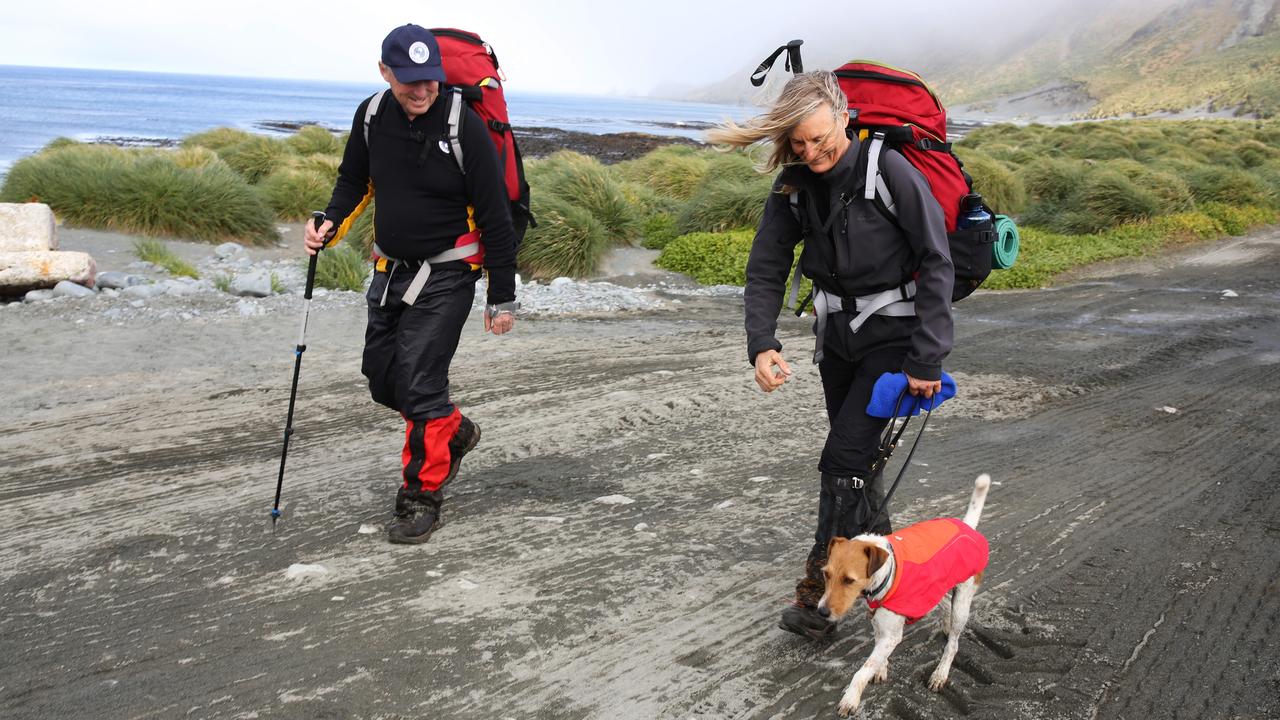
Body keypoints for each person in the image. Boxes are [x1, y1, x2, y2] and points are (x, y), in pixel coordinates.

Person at [707, 71, 954, 639]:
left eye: (820, 139)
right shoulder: (794, 184)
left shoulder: (889, 169)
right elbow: (766, 264)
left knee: (841, 463)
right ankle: (889, 568)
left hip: (895, 339)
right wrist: (761, 342)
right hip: (837, 340)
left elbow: (936, 260)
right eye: (799, 144)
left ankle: (820, 598)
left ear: (845, 117)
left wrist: (928, 357)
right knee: (859, 464)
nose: (812, 152)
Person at [304, 24, 520, 545]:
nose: (421, 90)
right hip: (391, 271)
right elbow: (354, 179)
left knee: (420, 384)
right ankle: (454, 429)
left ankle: (420, 498)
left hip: (450, 274)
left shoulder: (463, 124)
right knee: (382, 378)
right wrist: (329, 223)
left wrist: (501, 294)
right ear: (386, 73)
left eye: (429, 80)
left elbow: (496, 215)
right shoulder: (372, 114)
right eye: (409, 81)